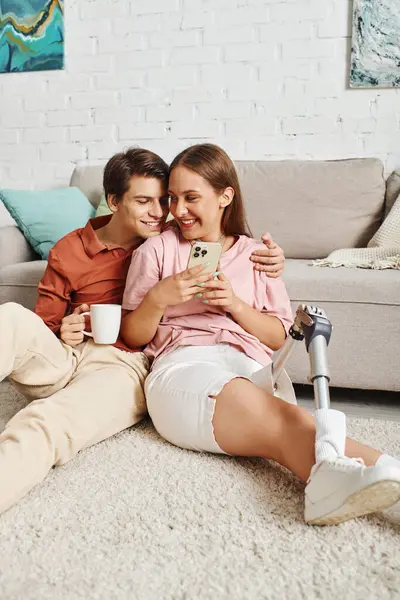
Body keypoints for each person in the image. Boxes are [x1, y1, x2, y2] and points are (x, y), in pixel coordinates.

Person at [120, 143, 400, 526]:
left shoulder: (256, 255)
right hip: (185, 368)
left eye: (191, 197)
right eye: (173, 198)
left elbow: (276, 336)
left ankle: (376, 473)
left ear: (225, 196)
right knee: (280, 417)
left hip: (252, 368)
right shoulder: (155, 251)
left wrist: (235, 304)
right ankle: (336, 479)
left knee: (289, 417)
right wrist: (158, 297)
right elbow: (133, 337)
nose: (178, 210)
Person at [0, 148, 284, 515]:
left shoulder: (172, 237)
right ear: (114, 202)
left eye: (163, 200)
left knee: (47, 421)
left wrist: (275, 258)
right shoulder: (70, 248)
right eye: (144, 201)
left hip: (124, 364)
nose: (161, 212)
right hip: (68, 353)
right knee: (10, 317)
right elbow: (44, 319)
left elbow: (222, 230)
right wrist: (63, 327)